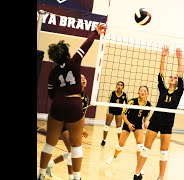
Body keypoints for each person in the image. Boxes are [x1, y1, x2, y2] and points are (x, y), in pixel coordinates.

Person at [37, 23, 107, 180]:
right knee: (76, 147)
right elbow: (85, 46)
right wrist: (95, 32)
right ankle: (76, 177)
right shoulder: (74, 62)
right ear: (67, 54)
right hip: (74, 105)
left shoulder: (53, 72)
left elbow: (50, 94)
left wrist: (60, 99)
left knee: (49, 144)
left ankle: (40, 174)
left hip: (58, 105)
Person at [133, 45, 184, 180]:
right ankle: (137, 173)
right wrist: (163, 56)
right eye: (171, 77)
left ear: (178, 81)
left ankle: (161, 178)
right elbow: (161, 73)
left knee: (164, 153)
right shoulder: (162, 89)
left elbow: (181, 74)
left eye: (174, 77)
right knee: (146, 148)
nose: (172, 78)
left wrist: (180, 59)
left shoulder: (179, 92)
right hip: (156, 120)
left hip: (168, 123)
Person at [45, 74, 89, 180]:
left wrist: (81, 127)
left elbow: (82, 114)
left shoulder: (86, 98)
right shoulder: (72, 93)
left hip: (74, 124)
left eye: (84, 78)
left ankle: (50, 164)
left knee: (73, 151)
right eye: (81, 78)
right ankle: (72, 177)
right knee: (73, 151)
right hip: (63, 123)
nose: (83, 79)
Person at [106, 86, 152, 171]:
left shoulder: (148, 105)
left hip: (138, 125)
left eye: (145, 91)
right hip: (128, 123)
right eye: (141, 90)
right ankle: (113, 156)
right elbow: (123, 114)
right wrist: (129, 124)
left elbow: (146, 116)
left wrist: (146, 122)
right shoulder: (132, 102)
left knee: (140, 146)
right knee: (120, 145)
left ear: (147, 93)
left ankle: (139, 167)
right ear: (138, 92)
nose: (143, 92)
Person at [101, 81, 128, 146]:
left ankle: (120, 142)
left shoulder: (124, 95)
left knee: (119, 128)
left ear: (123, 87)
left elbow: (128, 104)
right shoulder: (113, 93)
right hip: (111, 110)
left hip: (119, 112)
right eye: (118, 85)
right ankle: (104, 140)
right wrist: (107, 112)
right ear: (116, 86)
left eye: (121, 85)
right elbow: (108, 102)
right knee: (107, 126)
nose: (119, 86)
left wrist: (124, 112)